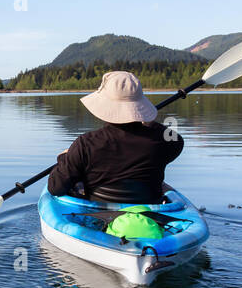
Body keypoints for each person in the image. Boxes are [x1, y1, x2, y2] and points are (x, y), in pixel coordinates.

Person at [47, 70, 183, 203]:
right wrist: (148, 121)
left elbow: (55, 188)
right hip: (152, 216)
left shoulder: (86, 144)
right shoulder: (162, 141)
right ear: (139, 105)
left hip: (99, 218)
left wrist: (65, 157)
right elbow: (177, 140)